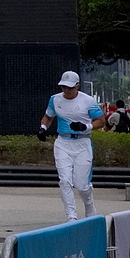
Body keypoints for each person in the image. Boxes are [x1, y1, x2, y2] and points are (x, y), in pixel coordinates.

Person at [38, 70, 106, 222]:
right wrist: (43, 128)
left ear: (77, 86)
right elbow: (48, 117)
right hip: (63, 143)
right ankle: (71, 216)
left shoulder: (88, 101)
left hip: (82, 143)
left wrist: (86, 127)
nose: (66, 91)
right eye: (64, 87)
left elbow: (101, 121)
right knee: (65, 180)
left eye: (70, 87)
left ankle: (89, 206)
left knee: (81, 185)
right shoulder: (55, 100)